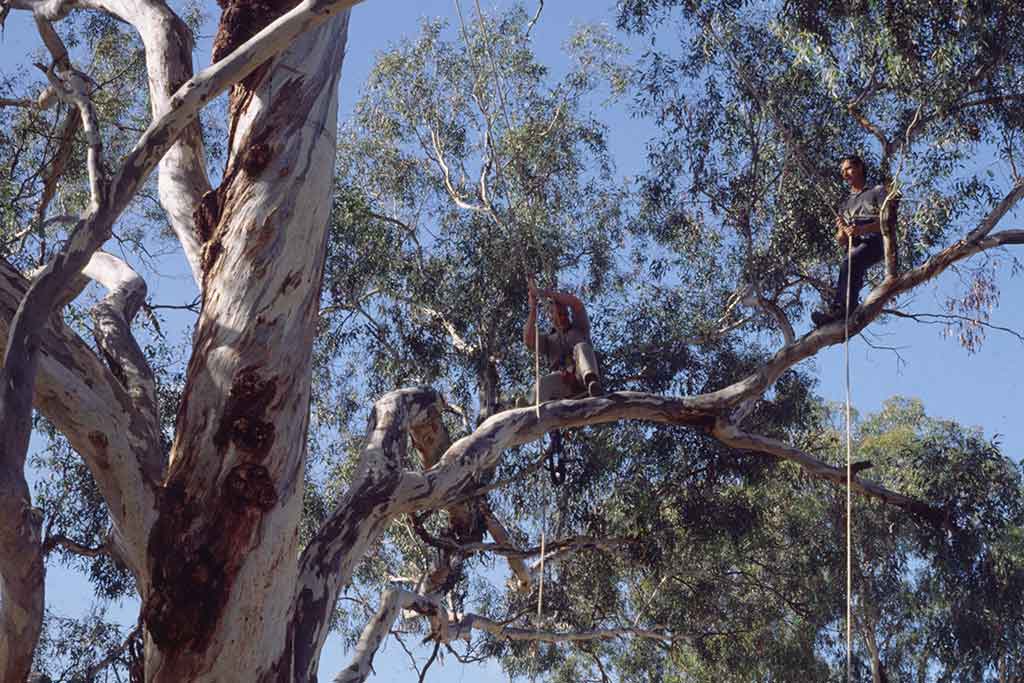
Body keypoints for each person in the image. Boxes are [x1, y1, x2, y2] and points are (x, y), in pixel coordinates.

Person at [811, 155, 894, 327]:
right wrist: (842, 229)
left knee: (850, 262)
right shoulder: (845, 204)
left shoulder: (876, 191)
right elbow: (841, 240)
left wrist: (861, 229)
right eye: (842, 171)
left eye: (848, 169)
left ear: (860, 168)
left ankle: (842, 309)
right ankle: (844, 310)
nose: (845, 174)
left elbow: (888, 221)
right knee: (849, 263)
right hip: (855, 244)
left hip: (875, 241)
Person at [523, 278, 603, 401]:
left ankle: (592, 382)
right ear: (551, 316)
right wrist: (533, 308)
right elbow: (528, 340)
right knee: (542, 384)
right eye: (560, 314)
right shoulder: (548, 340)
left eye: (566, 314)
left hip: (580, 377)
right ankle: (532, 406)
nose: (564, 317)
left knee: (581, 347)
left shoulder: (579, 328)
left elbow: (576, 304)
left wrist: (543, 292)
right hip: (563, 382)